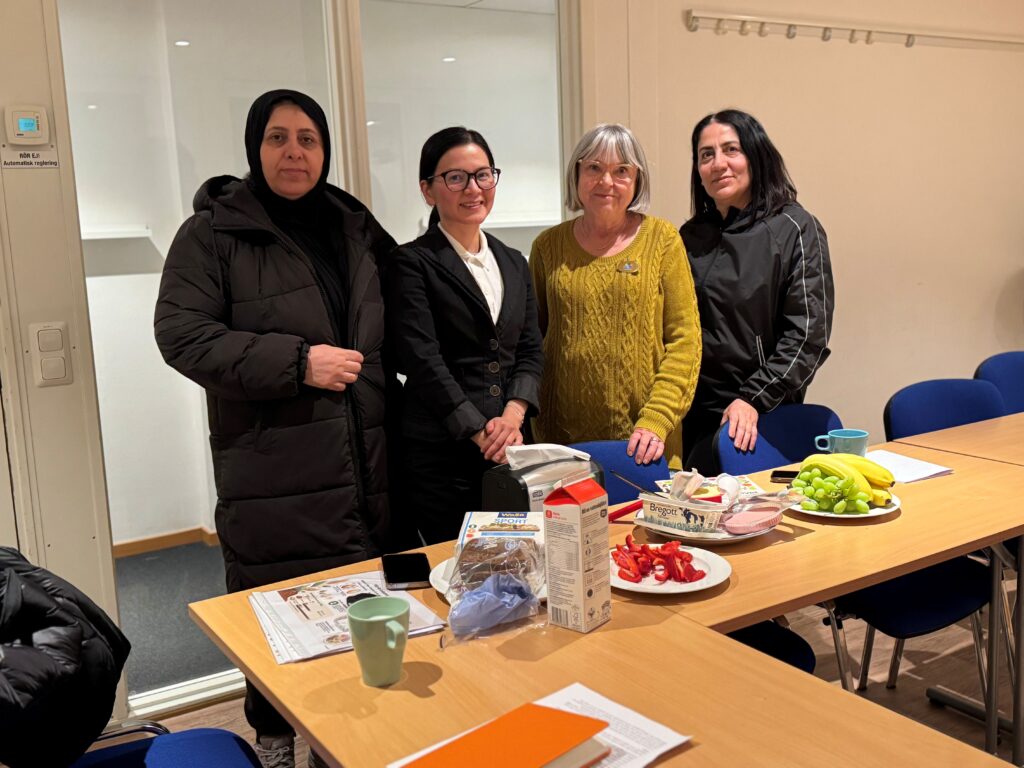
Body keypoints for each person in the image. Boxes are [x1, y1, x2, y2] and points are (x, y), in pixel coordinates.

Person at [154, 89, 395, 768]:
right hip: (272, 473)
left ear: (326, 150)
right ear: (254, 147)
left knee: (353, 629)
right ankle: (275, 744)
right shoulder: (212, 233)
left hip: (365, 465)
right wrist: (299, 362)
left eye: (308, 139)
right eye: (278, 138)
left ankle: (337, 747)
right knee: (279, 626)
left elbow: (401, 321)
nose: (295, 152)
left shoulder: (353, 224)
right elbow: (181, 335)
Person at [387, 127, 543, 544]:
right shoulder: (411, 262)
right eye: (455, 178)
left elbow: (530, 350)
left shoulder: (514, 262)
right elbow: (423, 360)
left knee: (518, 561)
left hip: (512, 449)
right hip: (441, 455)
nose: (473, 188)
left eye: (483, 175)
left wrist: (513, 417)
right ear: (428, 190)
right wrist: (479, 431)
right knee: (457, 568)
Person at [530, 124, 701, 467]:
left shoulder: (663, 240)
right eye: (594, 167)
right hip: (562, 445)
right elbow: (531, 342)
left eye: (621, 170)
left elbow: (685, 341)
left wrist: (658, 418)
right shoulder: (548, 246)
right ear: (577, 174)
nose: (606, 181)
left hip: (645, 445)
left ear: (637, 179)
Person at [680, 109, 834, 470]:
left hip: (760, 415)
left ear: (756, 155)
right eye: (706, 155)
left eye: (731, 150)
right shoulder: (688, 236)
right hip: (691, 414)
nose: (719, 163)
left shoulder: (795, 228)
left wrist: (754, 398)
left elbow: (808, 337)